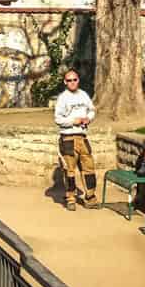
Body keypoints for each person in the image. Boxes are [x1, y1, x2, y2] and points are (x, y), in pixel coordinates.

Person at [52, 68, 97, 208]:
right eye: (69, 80)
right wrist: (73, 121)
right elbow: (58, 119)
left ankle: (90, 197)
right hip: (68, 138)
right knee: (69, 171)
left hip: (82, 137)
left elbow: (92, 110)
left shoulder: (83, 95)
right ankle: (70, 198)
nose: (72, 82)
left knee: (89, 168)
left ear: (78, 80)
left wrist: (88, 119)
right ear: (65, 82)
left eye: (74, 79)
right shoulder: (62, 98)